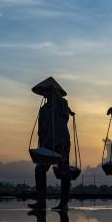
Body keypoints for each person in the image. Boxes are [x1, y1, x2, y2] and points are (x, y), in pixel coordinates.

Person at [29, 77, 75, 211]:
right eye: (44, 91)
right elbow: (41, 128)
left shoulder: (62, 104)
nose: (45, 93)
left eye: (48, 91)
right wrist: (41, 144)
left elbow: (65, 114)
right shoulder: (43, 109)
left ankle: (63, 203)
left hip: (60, 142)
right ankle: (41, 202)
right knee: (39, 170)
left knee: (64, 172)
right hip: (47, 143)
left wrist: (56, 93)